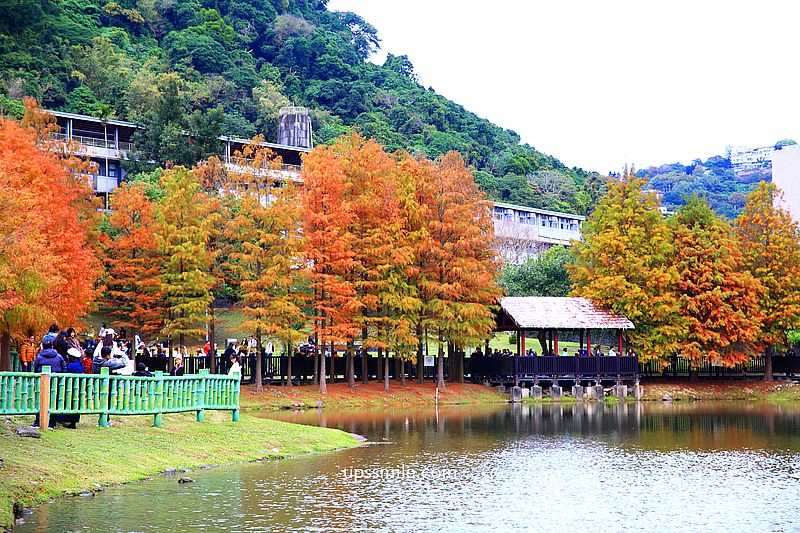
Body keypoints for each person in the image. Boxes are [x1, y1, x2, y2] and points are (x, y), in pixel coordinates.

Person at [32, 339, 66, 428]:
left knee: (41, 400)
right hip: (56, 382)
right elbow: (64, 369)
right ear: (52, 346)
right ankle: (52, 423)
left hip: (42, 382)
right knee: (54, 401)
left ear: (42, 347)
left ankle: (38, 421)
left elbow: (35, 370)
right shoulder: (59, 357)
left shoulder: (39, 357)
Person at [60, 348, 84, 429]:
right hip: (78, 388)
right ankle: (73, 421)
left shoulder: (70, 366)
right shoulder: (80, 364)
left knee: (68, 402)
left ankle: (66, 419)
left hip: (70, 387)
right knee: (76, 403)